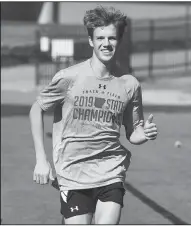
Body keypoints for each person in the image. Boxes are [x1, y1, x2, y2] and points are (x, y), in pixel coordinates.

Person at [29, 5, 158, 225]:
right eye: (100, 38)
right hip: (73, 173)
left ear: (119, 40)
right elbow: (37, 109)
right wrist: (41, 160)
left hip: (111, 171)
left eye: (112, 38)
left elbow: (132, 134)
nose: (106, 44)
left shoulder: (130, 84)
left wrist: (144, 133)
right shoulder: (69, 77)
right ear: (91, 41)